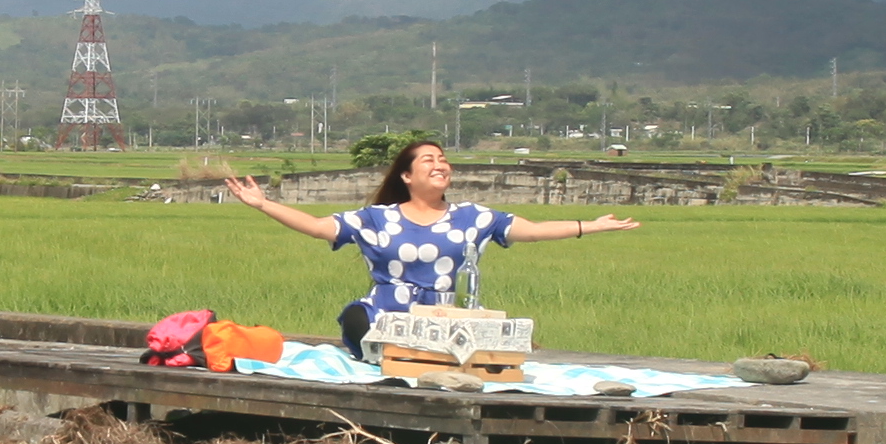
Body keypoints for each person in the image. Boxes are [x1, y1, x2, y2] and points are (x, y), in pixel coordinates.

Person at [219, 137, 642, 339]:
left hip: (441, 321)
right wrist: (262, 204)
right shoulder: (376, 218)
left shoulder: (472, 217)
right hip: (385, 317)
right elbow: (317, 226)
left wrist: (589, 226)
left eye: (443, 159)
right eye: (428, 160)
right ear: (407, 176)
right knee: (365, 323)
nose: (440, 164)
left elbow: (529, 230)